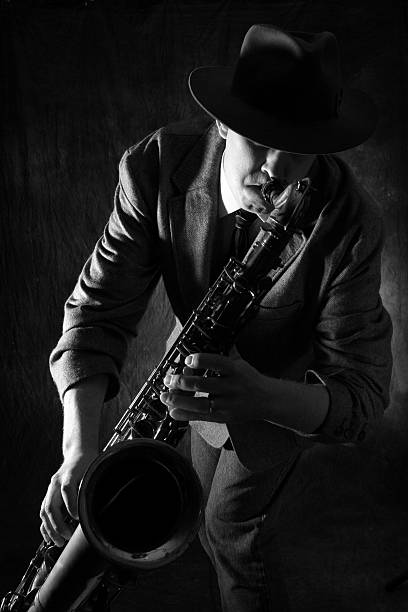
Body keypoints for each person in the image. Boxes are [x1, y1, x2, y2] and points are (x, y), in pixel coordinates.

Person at [40, 24, 392, 611]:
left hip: (280, 393)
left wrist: (259, 397)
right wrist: (78, 450)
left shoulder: (352, 225)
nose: (277, 170)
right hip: (194, 370)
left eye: (300, 146)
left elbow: (362, 397)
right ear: (224, 124)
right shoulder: (154, 166)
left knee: (230, 529)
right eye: (259, 139)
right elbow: (97, 312)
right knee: (187, 519)